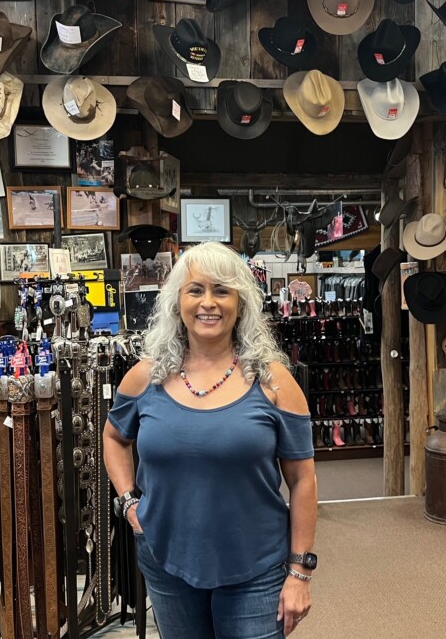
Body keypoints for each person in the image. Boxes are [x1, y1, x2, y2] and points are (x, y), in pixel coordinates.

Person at [103, 242, 317, 638]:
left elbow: (303, 479)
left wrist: (300, 572)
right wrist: (129, 502)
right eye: (195, 289)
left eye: (222, 290)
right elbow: (114, 437)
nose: (209, 303)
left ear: (241, 302)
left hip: (256, 565)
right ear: (177, 301)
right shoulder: (144, 376)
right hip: (166, 558)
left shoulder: (274, 381)